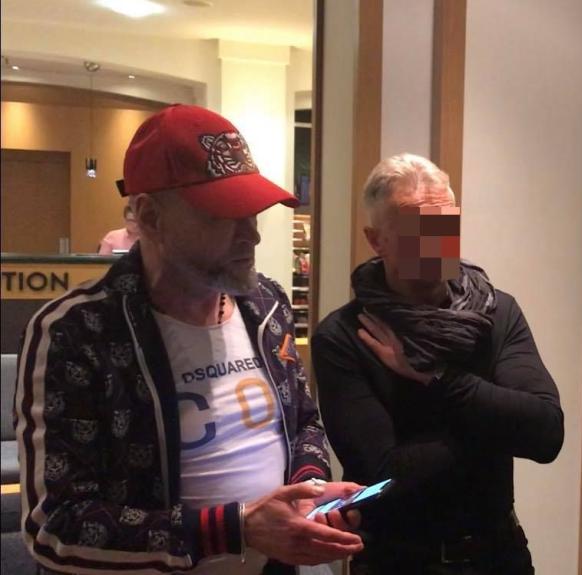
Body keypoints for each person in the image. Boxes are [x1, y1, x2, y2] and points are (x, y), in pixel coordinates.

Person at [15, 104, 364, 574]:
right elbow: (55, 527)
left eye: (253, 214)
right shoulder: (77, 331)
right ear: (150, 216)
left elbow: (303, 422)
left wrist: (308, 491)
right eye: (224, 215)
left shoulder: (266, 304)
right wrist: (238, 528)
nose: (252, 236)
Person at [312, 153, 564, 574]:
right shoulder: (344, 336)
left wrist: (439, 379)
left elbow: (546, 434)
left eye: (445, 225)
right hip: (399, 563)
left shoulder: (496, 311)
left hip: (499, 556)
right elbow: (383, 477)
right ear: (376, 240)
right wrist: (496, 426)